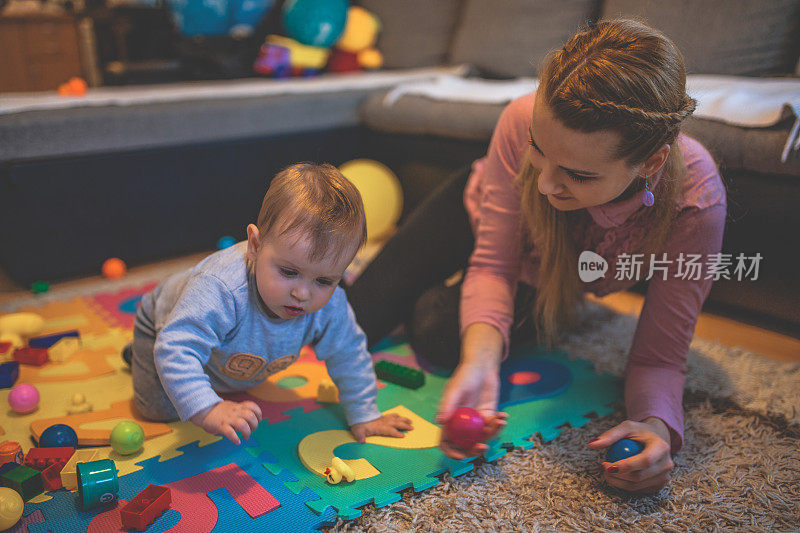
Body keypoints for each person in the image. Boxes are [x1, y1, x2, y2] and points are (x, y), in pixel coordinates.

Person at [347, 19, 726, 494]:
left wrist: (655, 426)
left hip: (545, 270)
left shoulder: (697, 198)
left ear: (651, 163)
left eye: (578, 175)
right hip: (482, 205)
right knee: (354, 317)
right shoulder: (519, 120)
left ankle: (443, 296)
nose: (545, 185)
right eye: (538, 150)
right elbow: (494, 264)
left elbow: (660, 358)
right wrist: (482, 363)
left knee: (440, 333)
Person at [124, 163, 412, 445]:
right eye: (289, 272)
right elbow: (178, 346)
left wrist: (365, 413)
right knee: (161, 409)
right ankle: (141, 354)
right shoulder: (221, 286)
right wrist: (208, 409)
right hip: (165, 328)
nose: (302, 293)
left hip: (230, 357)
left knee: (236, 383)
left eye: (323, 281)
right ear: (255, 245)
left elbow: (349, 352)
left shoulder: (329, 303)